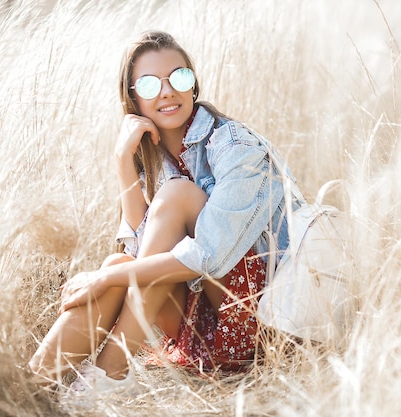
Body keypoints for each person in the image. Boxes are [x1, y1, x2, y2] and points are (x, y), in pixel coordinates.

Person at [28, 30, 304, 395]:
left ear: (193, 84)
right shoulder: (159, 162)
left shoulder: (234, 145)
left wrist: (107, 278)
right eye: (147, 85)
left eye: (179, 77)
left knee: (137, 245)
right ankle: (32, 386)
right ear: (133, 100)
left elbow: (206, 258)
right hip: (205, 329)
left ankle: (112, 372)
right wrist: (123, 161)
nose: (167, 91)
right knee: (116, 266)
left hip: (261, 329)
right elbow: (139, 253)